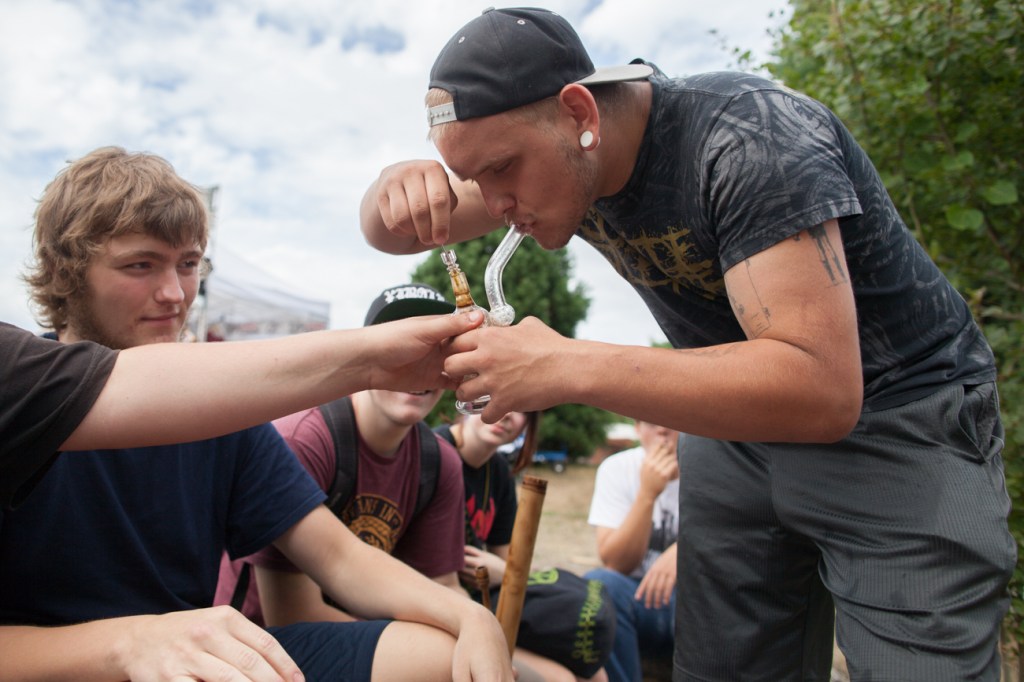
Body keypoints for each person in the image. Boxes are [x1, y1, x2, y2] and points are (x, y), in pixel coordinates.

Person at [358, 7, 1014, 681]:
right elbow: (396, 234)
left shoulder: (750, 139)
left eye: (498, 169)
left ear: (580, 114)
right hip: (732, 424)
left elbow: (822, 390)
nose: (490, 202)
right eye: (469, 175)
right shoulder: (552, 161)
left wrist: (566, 365)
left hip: (899, 417)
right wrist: (390, 196)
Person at [0, 146, 511, 682]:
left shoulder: (219, 412)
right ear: (64, 271)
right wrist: (130, 641)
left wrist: (468, 614)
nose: (175, 294)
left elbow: (338, 557)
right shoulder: (18, 399)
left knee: (439, 655)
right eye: (140, 265)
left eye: (189, 264)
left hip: (196, 660)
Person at [215, 283, 467, 626]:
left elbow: (444, 585)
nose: (418, 365)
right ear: (368, 354)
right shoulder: (304, 439)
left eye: (436, 351)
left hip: (360, 627)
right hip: (255, 643)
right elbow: (290, 615)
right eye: (403, 348)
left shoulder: (439, 462)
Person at [584, 421, 681, 682]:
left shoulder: (713, 470)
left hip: (696, 603)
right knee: (600, 585)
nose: (663, 428)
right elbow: (615, 563)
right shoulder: (617, 468)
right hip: (639, 599)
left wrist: (685, 549)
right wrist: (647, 494)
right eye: (651, 420)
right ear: (637, 428)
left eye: (673, 418)